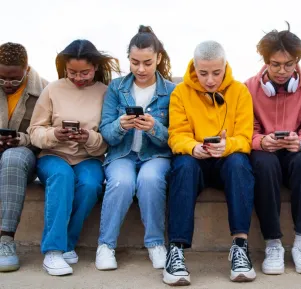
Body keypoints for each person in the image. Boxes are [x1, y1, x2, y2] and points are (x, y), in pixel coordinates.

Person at [163, 41, 255, 286]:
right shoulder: (180, 92)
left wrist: (229, 145)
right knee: (183, 166)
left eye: (216, 72)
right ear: (194, 67)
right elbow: (176, 135)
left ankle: (240, 247)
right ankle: (176, 251)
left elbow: (246, 138)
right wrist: (193, 147)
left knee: (239, 163)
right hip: (196, 160)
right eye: (203, 73)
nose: (210, 80)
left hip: (228, 161)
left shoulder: (240, 91)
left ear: (225, 66)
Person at [28, 40, 120, 276]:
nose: (79, 77)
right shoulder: (53, 89)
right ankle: (53, 251)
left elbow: (107, 139)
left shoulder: (105, 92)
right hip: (53, 155)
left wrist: (88, 137)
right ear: (64, 69)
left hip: (88, 157)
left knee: (90, 184)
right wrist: (54, 134)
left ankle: (67, 242)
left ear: (96, 68)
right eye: (73, 72)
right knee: (62, 176)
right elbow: (35, 131)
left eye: (85, 72)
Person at [96, 25, 175, 271]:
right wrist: (120, 125)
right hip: (122, 154)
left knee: (150, 181)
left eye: (147, 63)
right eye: (134, 62)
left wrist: (154, 128)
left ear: (158, 59)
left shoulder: (172, 91)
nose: (141, 69)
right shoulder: (116, 88)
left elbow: (174, 138)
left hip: (156, 155)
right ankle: (105, 246)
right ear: (128, 59)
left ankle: (155, 244)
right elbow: (106, 133)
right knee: (122, 182)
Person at [245, 23, 301, 275]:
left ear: (296, 61)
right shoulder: (248, 88)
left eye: (289, 64)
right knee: (263, 164)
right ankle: (273, 243)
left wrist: (299, 143)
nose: (282, 71)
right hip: (265, 153)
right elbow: (248, 131)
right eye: (276, 64)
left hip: (294, 152)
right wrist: (262, 141)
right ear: (265, 61)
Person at [0, 42, 48, 272]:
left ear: (26, 70)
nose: (7, 84)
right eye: (1, 78)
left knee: (13, 158)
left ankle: (6, 240)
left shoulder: (46, 91)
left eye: (14, 79)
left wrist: (22, 139)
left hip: (24, 160)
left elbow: (46, 134)